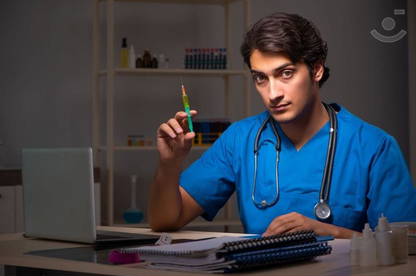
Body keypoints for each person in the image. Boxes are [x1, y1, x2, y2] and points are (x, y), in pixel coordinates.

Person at [149, 12, 416, 238]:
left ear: (317, 70)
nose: (272, 92)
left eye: (285, 73)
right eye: (260, 78)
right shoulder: (240, 140)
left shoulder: (373, 146)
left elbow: (406, 248)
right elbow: (166, 222)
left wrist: (329, 232)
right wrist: (169, 165)